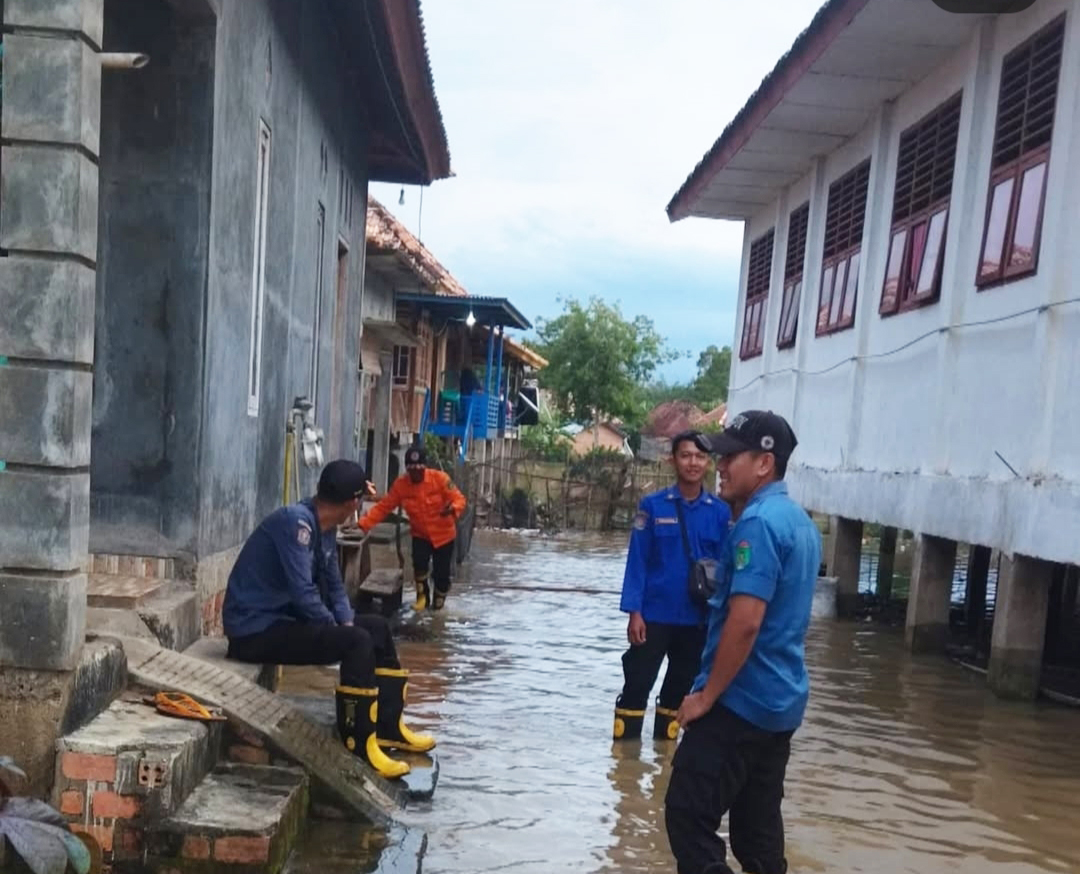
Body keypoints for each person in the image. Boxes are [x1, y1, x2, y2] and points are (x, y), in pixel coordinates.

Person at [664, 411, 822, 874]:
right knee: (756, 833)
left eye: (732, 455)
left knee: (688, 816)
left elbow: (746, 621)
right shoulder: (799, 521)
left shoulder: (757, 524)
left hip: (740, 701)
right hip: (781, 701)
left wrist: (706, 696)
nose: (721, 464)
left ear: (764, 463)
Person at [222, 459, 435, 780]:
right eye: (361, 497)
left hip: (283, 621)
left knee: (374, 628)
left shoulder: (323, 527)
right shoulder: (296, 524)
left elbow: (333, 583)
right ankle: (359, 742)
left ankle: (388, 727)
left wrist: (345, 619)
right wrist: (335, 627)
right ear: (353, 502)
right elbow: (303, 592)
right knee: (356, 642)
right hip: (254, 632)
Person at [614, 430, 731, 742]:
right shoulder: (652, 506)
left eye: (699, 456)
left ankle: (664, 762)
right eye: (685, 455)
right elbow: (637, 561)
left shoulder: (720, 513)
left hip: (697, 620)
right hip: (653, 616)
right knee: (636, 685)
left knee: (679, 691)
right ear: (673, 460)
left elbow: (726, 570)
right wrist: (634, 612)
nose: (692, 462)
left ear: (708, 463)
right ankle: (624, 762)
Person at [357, 446, 467, 611]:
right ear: (407, 469)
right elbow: (383, 507)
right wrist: (363, 525)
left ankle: (438, 601)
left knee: (442, 575)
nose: (416, 472)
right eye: (411, 468)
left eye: (419, 468)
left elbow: (459, 499)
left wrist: (453, 508)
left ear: (425, 467)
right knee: (419, 565)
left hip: (444, 536)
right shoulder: (401, 485)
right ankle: (422, 596)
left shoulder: (441, 479)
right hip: (420, 534)